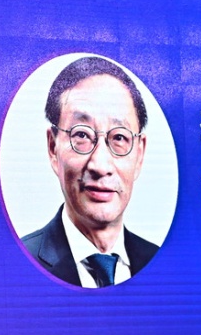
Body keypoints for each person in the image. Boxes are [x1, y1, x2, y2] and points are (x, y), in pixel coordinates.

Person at [22, 56, 158, 288]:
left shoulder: (165, 264)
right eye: (82, 135)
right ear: (53, 147)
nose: (100, 166)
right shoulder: (17, 264)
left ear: (140, 154)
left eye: (119, 137)